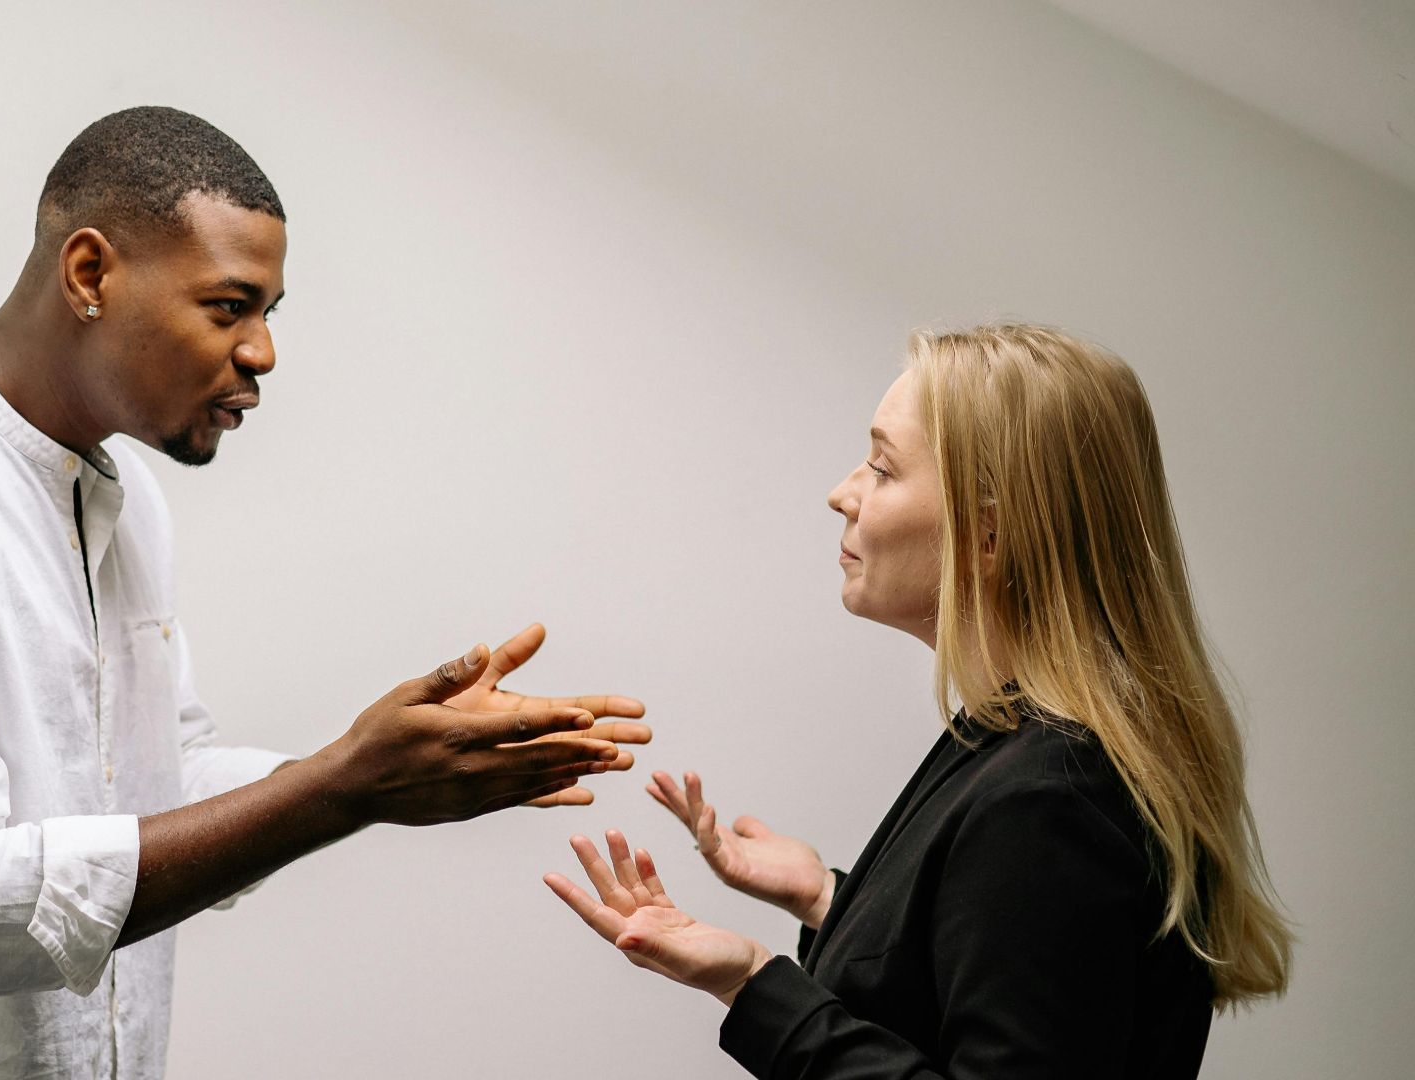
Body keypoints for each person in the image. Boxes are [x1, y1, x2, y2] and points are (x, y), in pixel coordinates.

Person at [0, 106, 650, 1079]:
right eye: (229, 306)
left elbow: (160, 777)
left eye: (268, 313)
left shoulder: (125, 498)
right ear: (89, 274)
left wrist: (385, 766)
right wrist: (341, 786)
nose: (263, 353)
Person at [545, 324, 1293, 1078]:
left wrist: (752, 984)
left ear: (989, 535)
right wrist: (829, 899)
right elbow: (968, 990)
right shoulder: (1019, 747)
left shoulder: (1050, 798)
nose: (842, 493)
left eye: (882, 467)